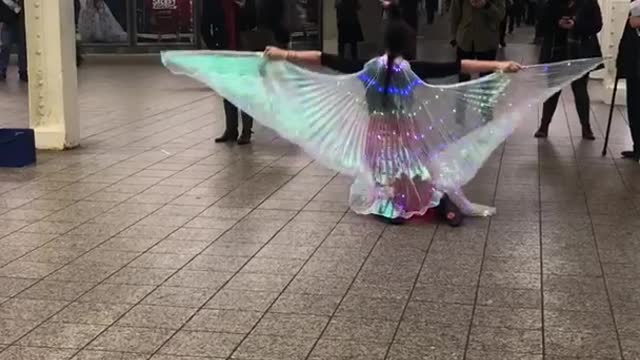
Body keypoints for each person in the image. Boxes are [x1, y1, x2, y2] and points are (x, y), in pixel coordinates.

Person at [163, 8, 601, 227]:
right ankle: (429, 204)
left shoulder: (369, 68)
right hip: (405, 133)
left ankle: (392, 206)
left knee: (383, 173)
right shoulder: (410, 71)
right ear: (407, 44)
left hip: (376, 135)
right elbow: (456, 68)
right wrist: (498, 67)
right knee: (415, 169)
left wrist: (282, 54)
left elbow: (324, 58)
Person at [534, 0, 602, 139]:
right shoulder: (552, 3)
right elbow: (542, 25)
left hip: (579, 51)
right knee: (553, 89)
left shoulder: (588, 2)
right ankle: (544, 125)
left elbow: (597, 25)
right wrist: (557, 23)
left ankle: (586, 127)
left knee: (580, 90)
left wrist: (576, 25)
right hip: (556, 51)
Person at [201, 0, 256, 145]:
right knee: (228, 91)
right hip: (224, 51)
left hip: (244, 50)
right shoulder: (211, 3)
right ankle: (231, 130)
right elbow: (205, 24)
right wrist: (214, 46)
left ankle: (246, 131)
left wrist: (243, 6)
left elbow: (253, 22)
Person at [450, 0, 506, 82]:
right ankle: (463, 94)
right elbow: (454, 15)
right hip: (465, 39)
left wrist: (486, 5)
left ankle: (485, 93)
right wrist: (453, 36)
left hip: (487, 40)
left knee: (486, 78)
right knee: (463, 76)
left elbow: (500, 16)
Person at [618, 3, 640, 160]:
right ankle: (637, 146)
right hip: (633, 65)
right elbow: (627, 34)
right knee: (633, 107)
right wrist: (621, 62)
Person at [0, 0, 26, 82]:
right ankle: (22, 71)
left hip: (11, 20)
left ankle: (3, 70)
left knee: (18, 46)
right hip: (13, 20)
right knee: (9, 46)